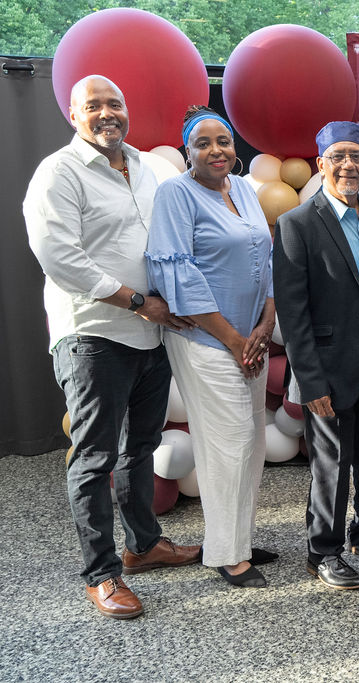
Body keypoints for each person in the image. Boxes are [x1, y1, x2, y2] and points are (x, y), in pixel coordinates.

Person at [23, 75, 200, 619]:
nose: (106, 113)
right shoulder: (59, 172)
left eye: (115, 103)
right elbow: (58, 255)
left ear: (128, 110)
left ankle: (143, 545)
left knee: (139, 448)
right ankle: (102, 575)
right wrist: (134, 300)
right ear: (73, 115)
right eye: (93, 105)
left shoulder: (150, 166)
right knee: (95, 455)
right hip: (94, 335)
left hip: (153, 332)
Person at [146, 106, 276, 588]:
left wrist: (267, 318)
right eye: (203, 143)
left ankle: (238, 539)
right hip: (207, 341)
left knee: (253, 442)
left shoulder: (242, 188)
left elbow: (266, 256)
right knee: (229, 444)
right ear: (187, 152)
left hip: (251, 339)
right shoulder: (175, 195)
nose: (216, 150)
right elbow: (177, 273)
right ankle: (224, 552)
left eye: (222, 140)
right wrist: (236, 340)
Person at [274, 121, 359, 592]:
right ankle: (322, 550)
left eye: (357, 156)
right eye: (339, 156)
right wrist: (310, 381)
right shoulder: (297, 224)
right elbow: (292, 311)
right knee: (331, 459)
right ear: (321, 163)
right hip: (327, 363)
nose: (349, 164)